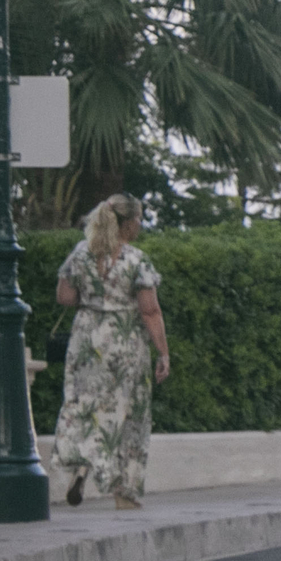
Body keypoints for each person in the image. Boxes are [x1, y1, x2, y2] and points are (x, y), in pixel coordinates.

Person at [53, 194, 169, 511]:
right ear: (128, 223)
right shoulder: (136, 260)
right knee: (128, 413)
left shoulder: (82, 252)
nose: (141, 225)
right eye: (139, 219)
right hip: (124, 342)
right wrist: (163, 353)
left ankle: (80, 469)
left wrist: (93, 298)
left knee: (86, 405)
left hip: (87, 338)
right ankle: (124, 492)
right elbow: (149, 310)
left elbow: (64, 296)